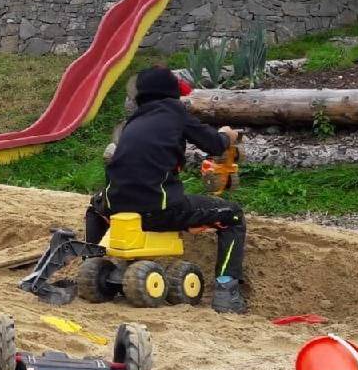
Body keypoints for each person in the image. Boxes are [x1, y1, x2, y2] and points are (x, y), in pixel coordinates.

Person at [85, 65, 247, 314]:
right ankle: (227, 290)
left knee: (94, 208)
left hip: (115, 206)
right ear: (171, 93)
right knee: (233, 215)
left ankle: (93, 264)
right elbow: (213, 144)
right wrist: (227, 135)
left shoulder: (132, 122)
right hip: (158, 210)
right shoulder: (174, 112)